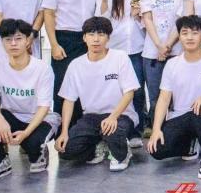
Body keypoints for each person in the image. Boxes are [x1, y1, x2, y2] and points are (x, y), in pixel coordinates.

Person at [0, 19, 60, 182]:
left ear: (28, 40)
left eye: (18, 38)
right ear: (2, 42)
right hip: (13, 116)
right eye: (8, 39)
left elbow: (44, 107)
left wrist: (26, 134)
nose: (13, 43)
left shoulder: (42, 68)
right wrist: (0, 120)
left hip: (39, 119)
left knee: (34, 145)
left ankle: (39, 152)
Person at [55, 16, 139, 171]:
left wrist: (113, 117)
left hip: (120, 115)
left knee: (113, 132)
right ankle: (99, 146)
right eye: (91, 34)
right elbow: (69, 100)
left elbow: (129, 93)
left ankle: (122, 152)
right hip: (91, 117)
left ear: (108, 37)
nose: (96, 39)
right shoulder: (76, 65)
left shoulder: (120, 57)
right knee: (66, 150)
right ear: (84, 37)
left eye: (101, 34)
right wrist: (64, 132)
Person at [146, 14, 201, 180]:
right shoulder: (172, 64)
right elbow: (164, 99)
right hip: (180, 117)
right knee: (156, 149)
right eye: (185, 33)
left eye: (195, 33)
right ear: (179, 36)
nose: (189, 37)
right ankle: (189, 145)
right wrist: (156, 129)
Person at [42, 0, 101, 114]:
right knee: (63, 83)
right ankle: (62, 125)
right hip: (64, 38)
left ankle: (84, 124)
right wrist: (54, 44)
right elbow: (48, 14)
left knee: (87, 83)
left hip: (88, 38)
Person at [99, 0, 147, 142]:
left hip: (137, 47)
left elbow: (148, 22)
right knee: (115, 91)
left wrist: (139, 17)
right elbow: (102, 20)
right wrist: (104, 1)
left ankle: (136, 131)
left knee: (137, 91)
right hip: (114, 48)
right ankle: (115, 129)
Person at [141, 0, 185, 122]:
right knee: (155, 96)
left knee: (177, 95)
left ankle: (175, 131)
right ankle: (156, 130)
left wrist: (167, 45)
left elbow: (181, 21)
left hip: (177, 51)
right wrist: (159, 45)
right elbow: (147, 19)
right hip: (152, 52)